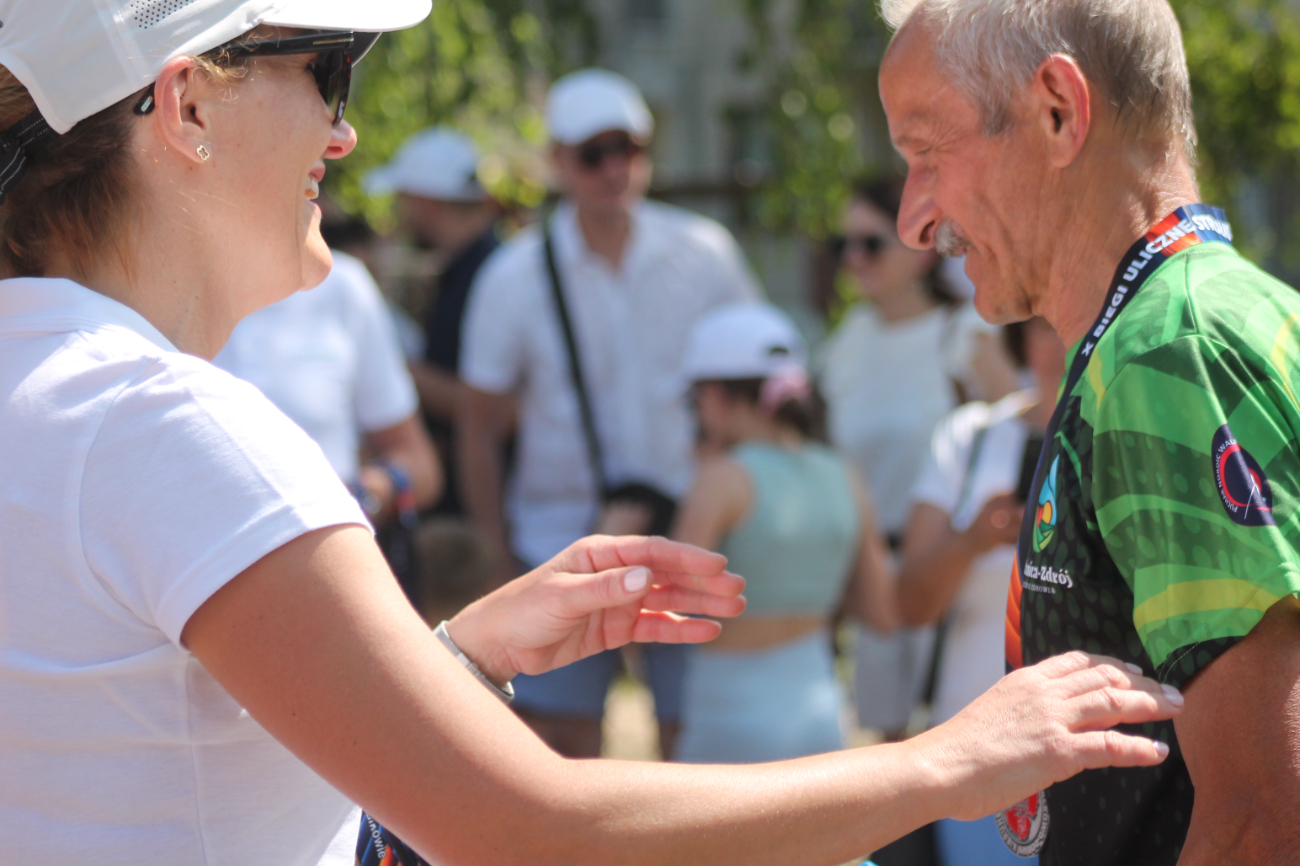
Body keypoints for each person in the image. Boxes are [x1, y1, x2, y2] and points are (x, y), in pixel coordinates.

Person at [0, 2, 1185, 864]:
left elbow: (149, 749)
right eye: (329, 69)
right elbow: (525, 827)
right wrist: (954, 757)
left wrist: (457, 654)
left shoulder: (50, 389)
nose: (343, 132)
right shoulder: (168, 424)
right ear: (187, 102)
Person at [878, 0, 1300, 863]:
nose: (912, 220)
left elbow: (1267, 819)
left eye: (926, 154)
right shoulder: (1203, 319)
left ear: (1058, 112)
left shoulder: (1166, 351)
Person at [457, 68, 762, 759]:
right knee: (559, 752)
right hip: (557, 543)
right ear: (558, 162)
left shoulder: (705, 253)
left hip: (689, 539)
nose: (615, 168)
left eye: (629, 148)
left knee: (693, 747)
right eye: (594, 153)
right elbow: (478, 426)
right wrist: (497, 553)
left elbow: (759, 388)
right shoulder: (513, 275)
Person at [818, 176, 1018, 742]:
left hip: (953, 567)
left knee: (960, 737)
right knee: (888, 748)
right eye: (843, 246)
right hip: (871, 576)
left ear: (921, 244)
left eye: (871, 243)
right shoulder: (845, 342)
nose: (854, 259)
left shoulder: (966, 334)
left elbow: (1020, 432)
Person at [671, 302, 898, 764]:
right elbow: (881, 612)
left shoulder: (721, 479)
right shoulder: (843, 474)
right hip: (820, 714)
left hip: (727, 716)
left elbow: (669, 606)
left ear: (715, 395)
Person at [895, 317, 1067, 866]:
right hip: (973, 753)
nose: (1062, 339)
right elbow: (908, 604)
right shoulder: (971, 435)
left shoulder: (1138, 435)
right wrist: (972, 540)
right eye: (1043, 324)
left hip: (1097, 752)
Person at [213, 247, 441, 600]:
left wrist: (364, 496)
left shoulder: (342, 285)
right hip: (198, 594)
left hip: (330, 585)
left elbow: (421, 467)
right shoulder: (133, 291)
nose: (316, 189)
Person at [364, 126, 502, 518]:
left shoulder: (488, 277)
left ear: (426, 200)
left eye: (403, 199)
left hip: (487, 513)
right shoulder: (472, 270)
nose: (400, 212)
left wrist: (387, 366)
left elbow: (497, 412)